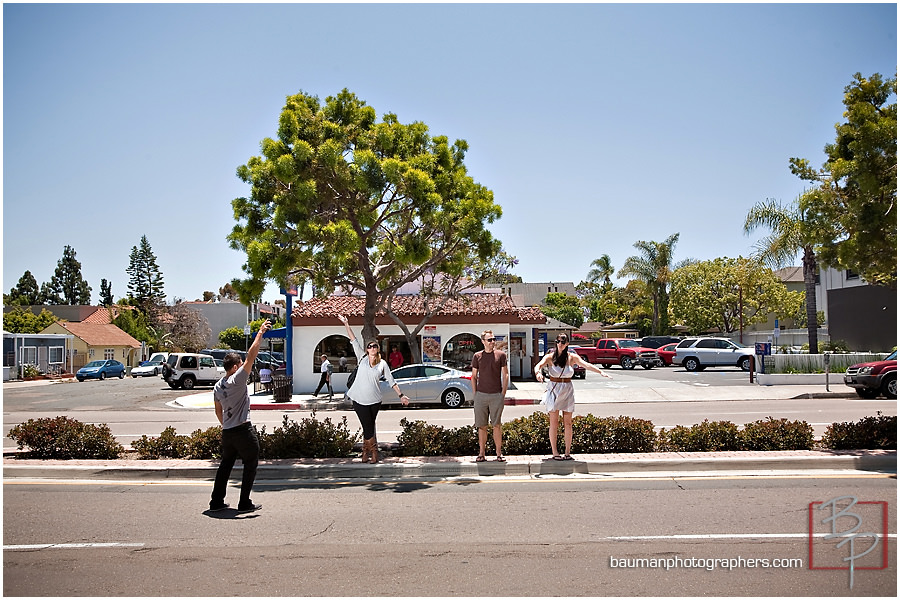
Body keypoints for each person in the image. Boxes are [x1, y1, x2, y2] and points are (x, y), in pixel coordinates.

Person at [209, 319, 272, 513]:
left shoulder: (218, 385)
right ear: (235, 367)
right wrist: (260, 333)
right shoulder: (237, 379)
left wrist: (225, 425)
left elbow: (217, 410)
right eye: (240, 364)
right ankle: (244, 502)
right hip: (243, 430)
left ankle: (216, 502)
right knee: (251, 463)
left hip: (228, 432)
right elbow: (251, 357)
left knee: (225, 466)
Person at [337, 314, 409, 463]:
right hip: (359, 398)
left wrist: (401, 395)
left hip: (375, 400)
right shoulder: (361, 358)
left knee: (368, 426)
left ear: (377, 349)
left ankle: (366, 453)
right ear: (367, 349)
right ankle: (373, 453)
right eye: (369, 346)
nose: (372, 348)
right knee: (367, 425)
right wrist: (346, 324)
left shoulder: (382, 364)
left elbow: (391, 381)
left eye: (375, 346)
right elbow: (353, 339)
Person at [534, 333, 610, 460]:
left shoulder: (572, 357)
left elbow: (586, 365)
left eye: (563, 342)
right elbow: (539, 365)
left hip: (567, 389)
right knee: (554, 423)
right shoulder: (550, 357)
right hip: (554, 389)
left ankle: (567, 452)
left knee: (568, 423)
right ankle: (555, 452)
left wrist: (600, 371)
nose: (560, 344)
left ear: (567, 344)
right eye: (558, 341)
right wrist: (538, 373)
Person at [471, 330, 509, 462]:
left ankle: (499, 453)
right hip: (481, 396)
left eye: (493, 339)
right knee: (481, 425)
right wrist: (475, 394)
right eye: (489, 340)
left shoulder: (501, 355)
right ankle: (482, 453)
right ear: (483, 342)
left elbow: (505, 375)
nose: (493, 342)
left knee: (496, 425)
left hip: (496, 395)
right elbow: (474, 376)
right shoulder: (477, 356)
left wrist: (503, 393)